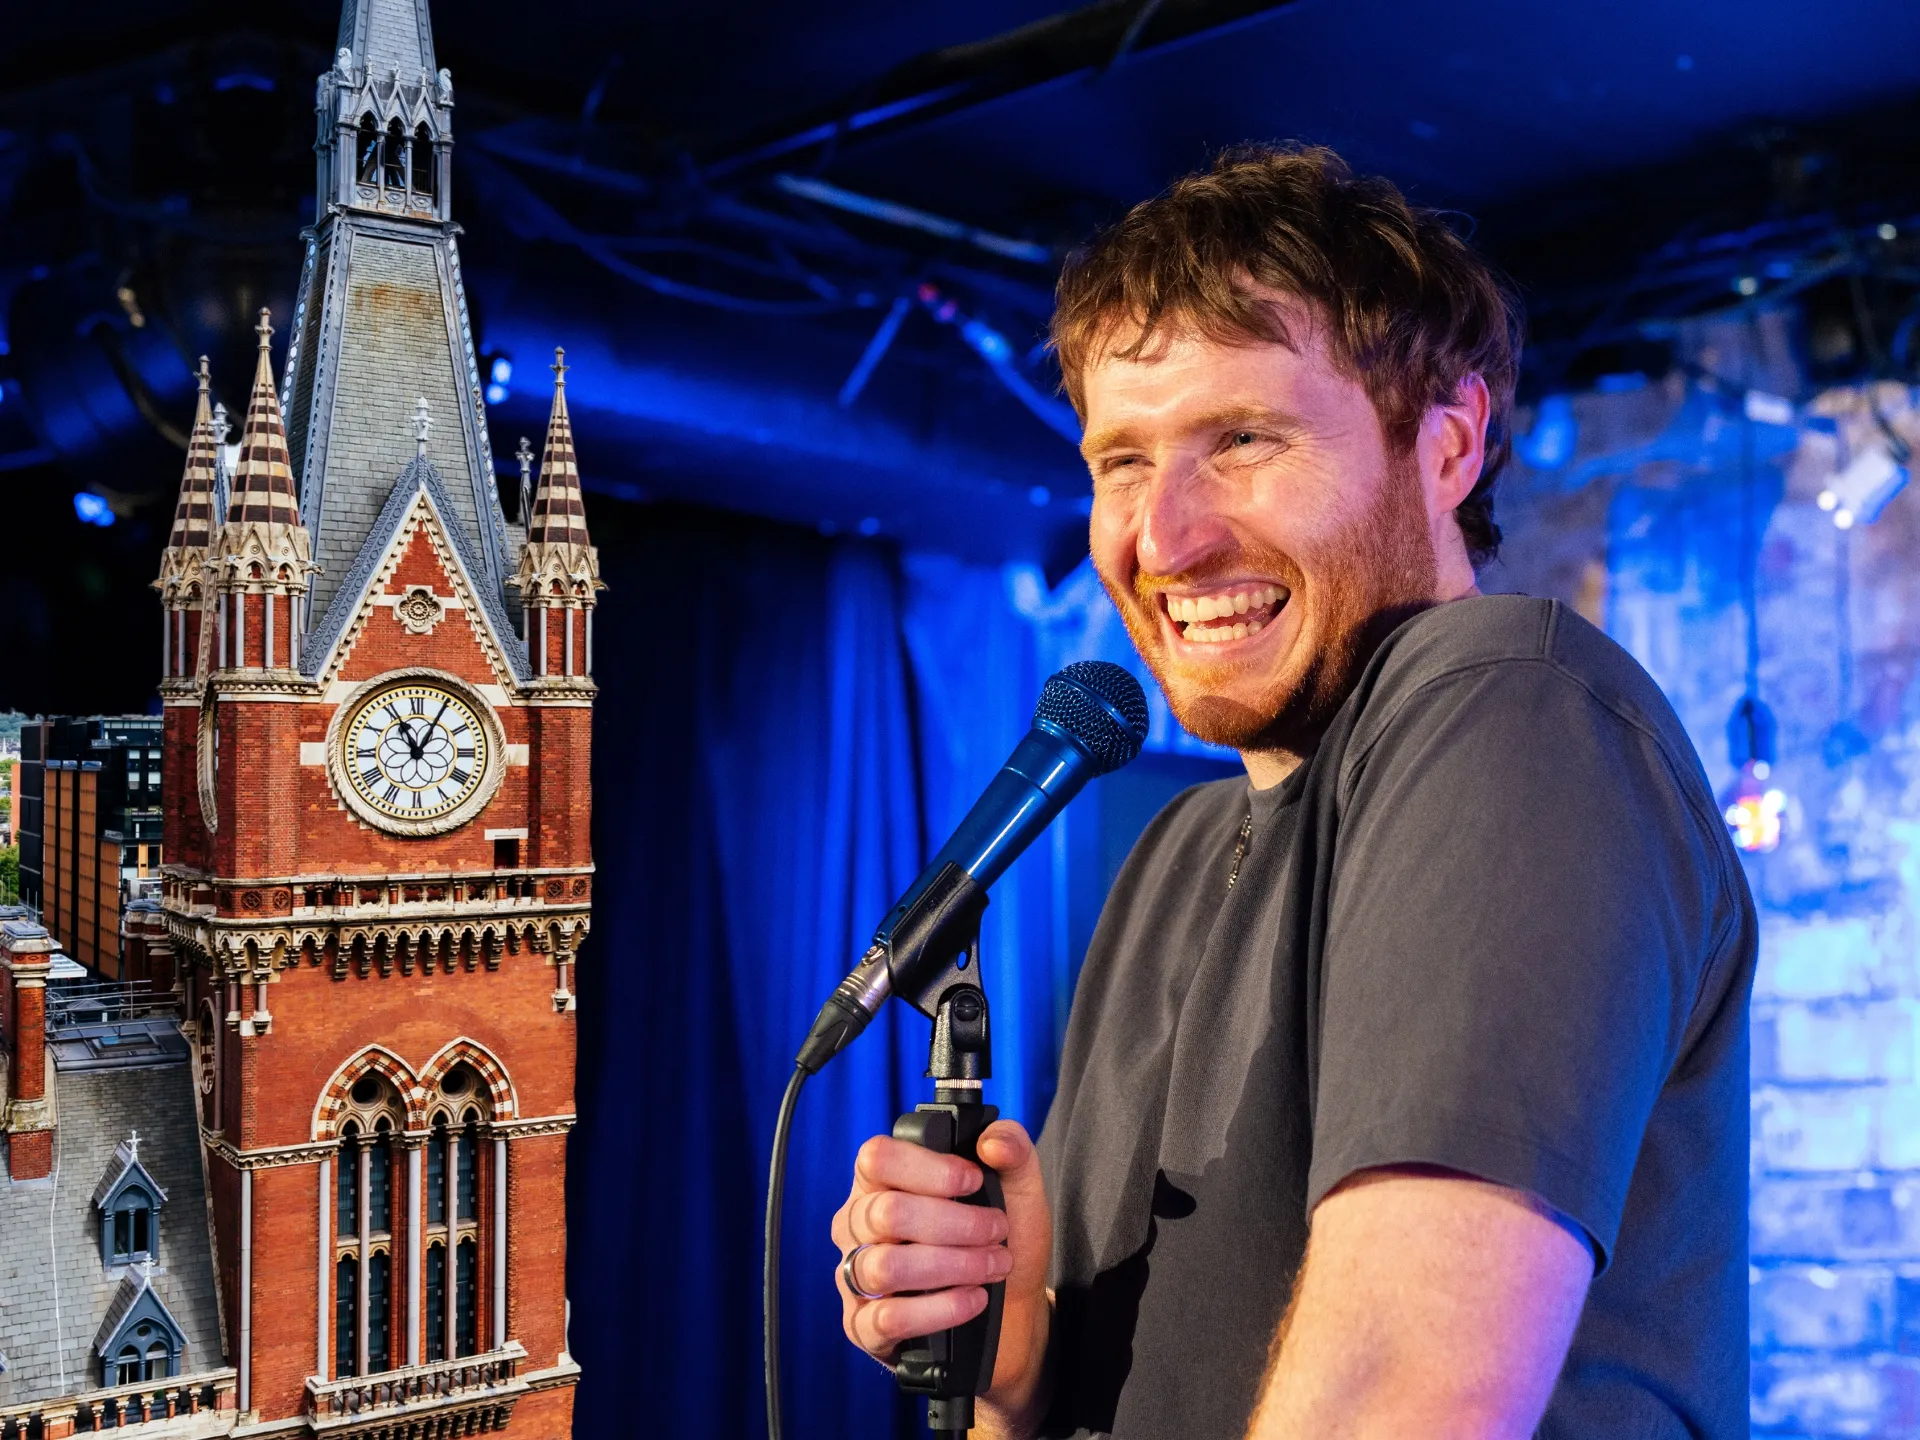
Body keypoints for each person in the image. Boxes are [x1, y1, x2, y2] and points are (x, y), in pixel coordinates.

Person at [829, 144, 1756, 1439]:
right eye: (1123, 463)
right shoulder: (1176, 852)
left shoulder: (1510, 709)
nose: (1165, 538)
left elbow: (1398, 1400)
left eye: (1244, 438)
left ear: (1448, 447)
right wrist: (1028, 1372)